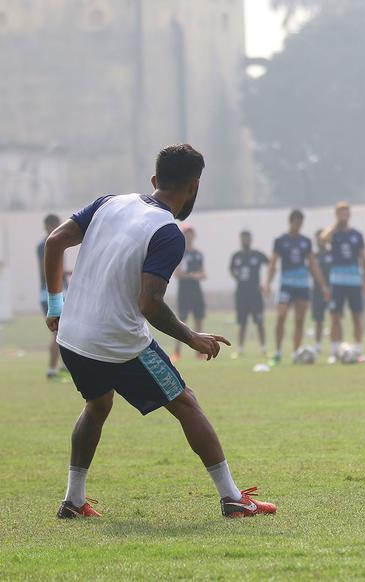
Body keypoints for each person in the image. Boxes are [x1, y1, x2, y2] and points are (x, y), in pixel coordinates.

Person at [43, 144, 276, 518]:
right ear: (194, 186)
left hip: (72, 337)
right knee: (186, 403)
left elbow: (55, 242)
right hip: (120, 344)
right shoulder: (168, 232)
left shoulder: (109, 202)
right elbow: (149, 304)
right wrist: (192, 337)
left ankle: (72, 500)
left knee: (98, 405)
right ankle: (233, 498)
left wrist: (55, 306)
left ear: (154, 180)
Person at [264, 209, 330, 365]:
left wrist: (323, 285)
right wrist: (267, 282)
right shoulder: (280, 240)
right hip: (286, 284)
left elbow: (313, 264)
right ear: (291, 222)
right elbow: (273, 263)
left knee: (300, 319)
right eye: (296, 222)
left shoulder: (306, 241)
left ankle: (295, 352)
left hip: (302, 285)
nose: (299, 225)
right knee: (281, 316)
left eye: (301, 223)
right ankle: (278, 351)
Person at [318, 202, 365, 362]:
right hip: (337, 281)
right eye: (340, 213)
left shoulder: (356, 235)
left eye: (346, 213)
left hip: (354, 281)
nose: (343, 216)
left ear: (350, 215)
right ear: (336, 215)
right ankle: (335, 351)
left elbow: (363, 258)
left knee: (356, 315)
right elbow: (321, 240)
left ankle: (358, 350)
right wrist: (335, 226)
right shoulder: (333, 233)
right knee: (335, 316)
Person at [38, 214, 70, 380]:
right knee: (57, 332)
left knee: (65, 331)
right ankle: (51, 370)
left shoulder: (54, 242)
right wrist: (70, 273)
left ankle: (64, 366)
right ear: (50, 225)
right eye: (57, 224)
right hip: (50, 295)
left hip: (59, 292)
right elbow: (48, 270)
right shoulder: (46, 243)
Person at [229, 230, 268, 357]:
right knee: (242, 322)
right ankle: (240, 349)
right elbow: (231, 270)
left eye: (247, 238)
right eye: (243, 238)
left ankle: (263, 348)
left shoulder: (257, 255)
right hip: (241, 293)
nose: (245, 241)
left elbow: (271, 264)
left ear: (251, 240)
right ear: (240, 240)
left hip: (255, 294)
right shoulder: (236, 256)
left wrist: (265, 283)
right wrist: (237, 276)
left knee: (259, 321)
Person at [173, 225, 205, 362]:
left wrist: (198, 275)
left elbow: (203, 273)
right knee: (181, 321)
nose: (189, 236)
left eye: (191, 233)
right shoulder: (179, 252)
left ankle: (200, 351)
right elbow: (177, 273)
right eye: (186, 233)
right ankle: (177, 352)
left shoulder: (198, 254)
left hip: (196, 290)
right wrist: (192, 275)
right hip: (184, 291)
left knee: (198, 319)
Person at [310, 228, 333, 355]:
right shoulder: (313, 256)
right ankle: (318, 345)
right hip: (318, 291)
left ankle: (336, 344)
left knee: (335, 317)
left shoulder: (333, 254)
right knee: (319, 319)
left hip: (333, 289)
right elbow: (310, 272)